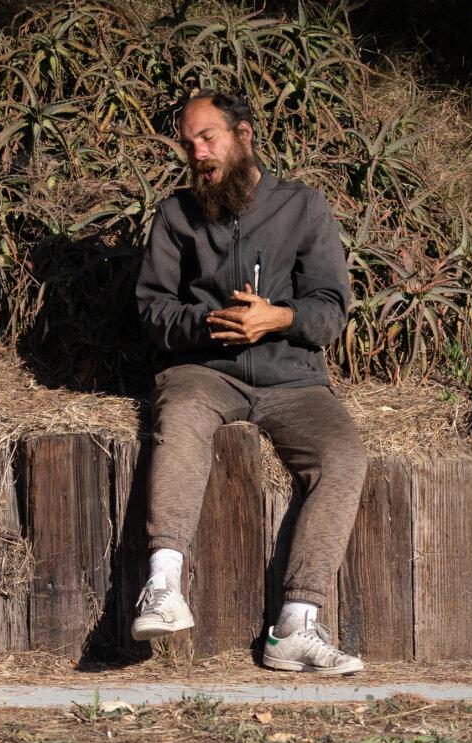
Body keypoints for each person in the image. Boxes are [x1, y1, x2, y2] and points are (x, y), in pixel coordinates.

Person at [131, 89, 368, 676]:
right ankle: (162, 587)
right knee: (180, 419)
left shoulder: (303, 208)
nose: (199, 154)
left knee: (342, 457)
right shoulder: (175, 215)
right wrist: (211, 325)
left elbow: (331, 309)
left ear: (244, 135)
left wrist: (278, 318)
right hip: (205, 372)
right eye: (189, 144)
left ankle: (296, 623)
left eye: (208, 138)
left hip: (294, 379)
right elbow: (152, 311)